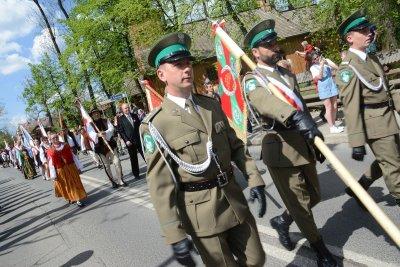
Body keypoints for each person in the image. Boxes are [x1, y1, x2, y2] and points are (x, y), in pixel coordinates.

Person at [140, 32, 266, 267]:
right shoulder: (156, 124)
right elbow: (160, 185)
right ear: (161, 74)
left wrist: (254, 178)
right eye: (178, 65)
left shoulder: (210, 105)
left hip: (234, 200)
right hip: (203, 215)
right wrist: (174, 234)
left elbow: (236, 146)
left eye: (188, 63)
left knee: (257, 259)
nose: (187, 69)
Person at [242, 20, 337, 267]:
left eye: (275, 42)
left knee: (314, 196)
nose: (275, 47)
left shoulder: (286, 73)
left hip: (302, 143)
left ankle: (283, 221)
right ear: (255, 52)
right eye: (267, 45)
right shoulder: (253, 79)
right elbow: (264, 102)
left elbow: (301, 106)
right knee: (301, 205)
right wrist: (295, 116)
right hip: (280, 149)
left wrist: (313, 138)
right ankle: (320, 249)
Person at [336, 10, 400, 207]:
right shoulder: (347, 68)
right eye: (362, 31)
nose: (369, 33)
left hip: (388, 118)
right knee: (394, 166)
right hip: (375, 124)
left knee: (390, 158)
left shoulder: (371, 58)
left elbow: (387, 90)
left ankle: (360, 187)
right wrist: (356, 141)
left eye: (369, 29)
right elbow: (351, 106)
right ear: (350, 37)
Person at [90, 109, 127, 188]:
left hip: (110, 145)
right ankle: (112, 181)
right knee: (107, 166)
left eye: (97, 113)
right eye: (94, 114)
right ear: (92, 115)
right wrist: (98, 135)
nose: (96, 114)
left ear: (99, 113)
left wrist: (105, 133)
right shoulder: (91, 124)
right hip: (100, 148)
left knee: (117, 162)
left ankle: (120, 180)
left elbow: (111, 129)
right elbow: (90, 133)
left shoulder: (105, 120)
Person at [47, 132, 87, 207]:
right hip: (61, 170)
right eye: (53, 138)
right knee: (66, 185)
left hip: (71, 167)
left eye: (56, 137)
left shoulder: (65, 145)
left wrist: (79, 167)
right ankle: (71, 197)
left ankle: (78, 198)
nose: (55, 138)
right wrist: (53, 175)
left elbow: (73, 156)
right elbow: (51, 164)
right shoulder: (50, 150)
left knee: (75, 183)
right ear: (51, 140)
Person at [308, 52, 344, 133]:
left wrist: (326, 62)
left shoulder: (326, 61)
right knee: (329, 107)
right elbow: (319, 77)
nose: (317, 59)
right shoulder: (313, 67)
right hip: (324, 88)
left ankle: (334, 125)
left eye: (317, 56)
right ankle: (331, 127)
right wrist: (321, 65)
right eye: (314, 59)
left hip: (332, 85)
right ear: (312, 61)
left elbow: (337, 68)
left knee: (334, 107)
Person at [117, 103, 144, 179]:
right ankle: (136, 174)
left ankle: (152, 169)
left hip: (138, 139)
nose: (127, 109)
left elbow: (139, 126)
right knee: (133, 158)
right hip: (130, 142)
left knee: (145, 154)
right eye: (125, 108)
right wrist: (126, 140)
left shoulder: (134, 115)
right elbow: (121, 131)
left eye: (128, 107)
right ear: (122, 110)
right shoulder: (120, 119)